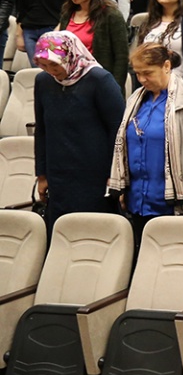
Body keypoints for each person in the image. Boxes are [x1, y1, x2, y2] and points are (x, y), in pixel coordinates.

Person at [107, 43, 183, 248]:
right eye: (138, 74)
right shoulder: (135, 100)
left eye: (148, 73)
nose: (142, 79)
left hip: (178, 201)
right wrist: (123, 186)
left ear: (166, 66)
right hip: (139, 198)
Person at [33, 31, 125, 232]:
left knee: (92, 232)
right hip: (58, 173)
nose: (51, 71)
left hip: (95, 174)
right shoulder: (43, 82)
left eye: (55, 65)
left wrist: (115, 173)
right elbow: (42, 130)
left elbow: (117, 130)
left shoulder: (100, 80)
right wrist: (42, 175)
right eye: (45, 65)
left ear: (70, 56)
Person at [57, 0, 128, 88]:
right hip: (70, 82)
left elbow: (121, 57)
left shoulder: (111, 15)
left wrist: (115, 88)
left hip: (99, 83)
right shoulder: (67, 13)